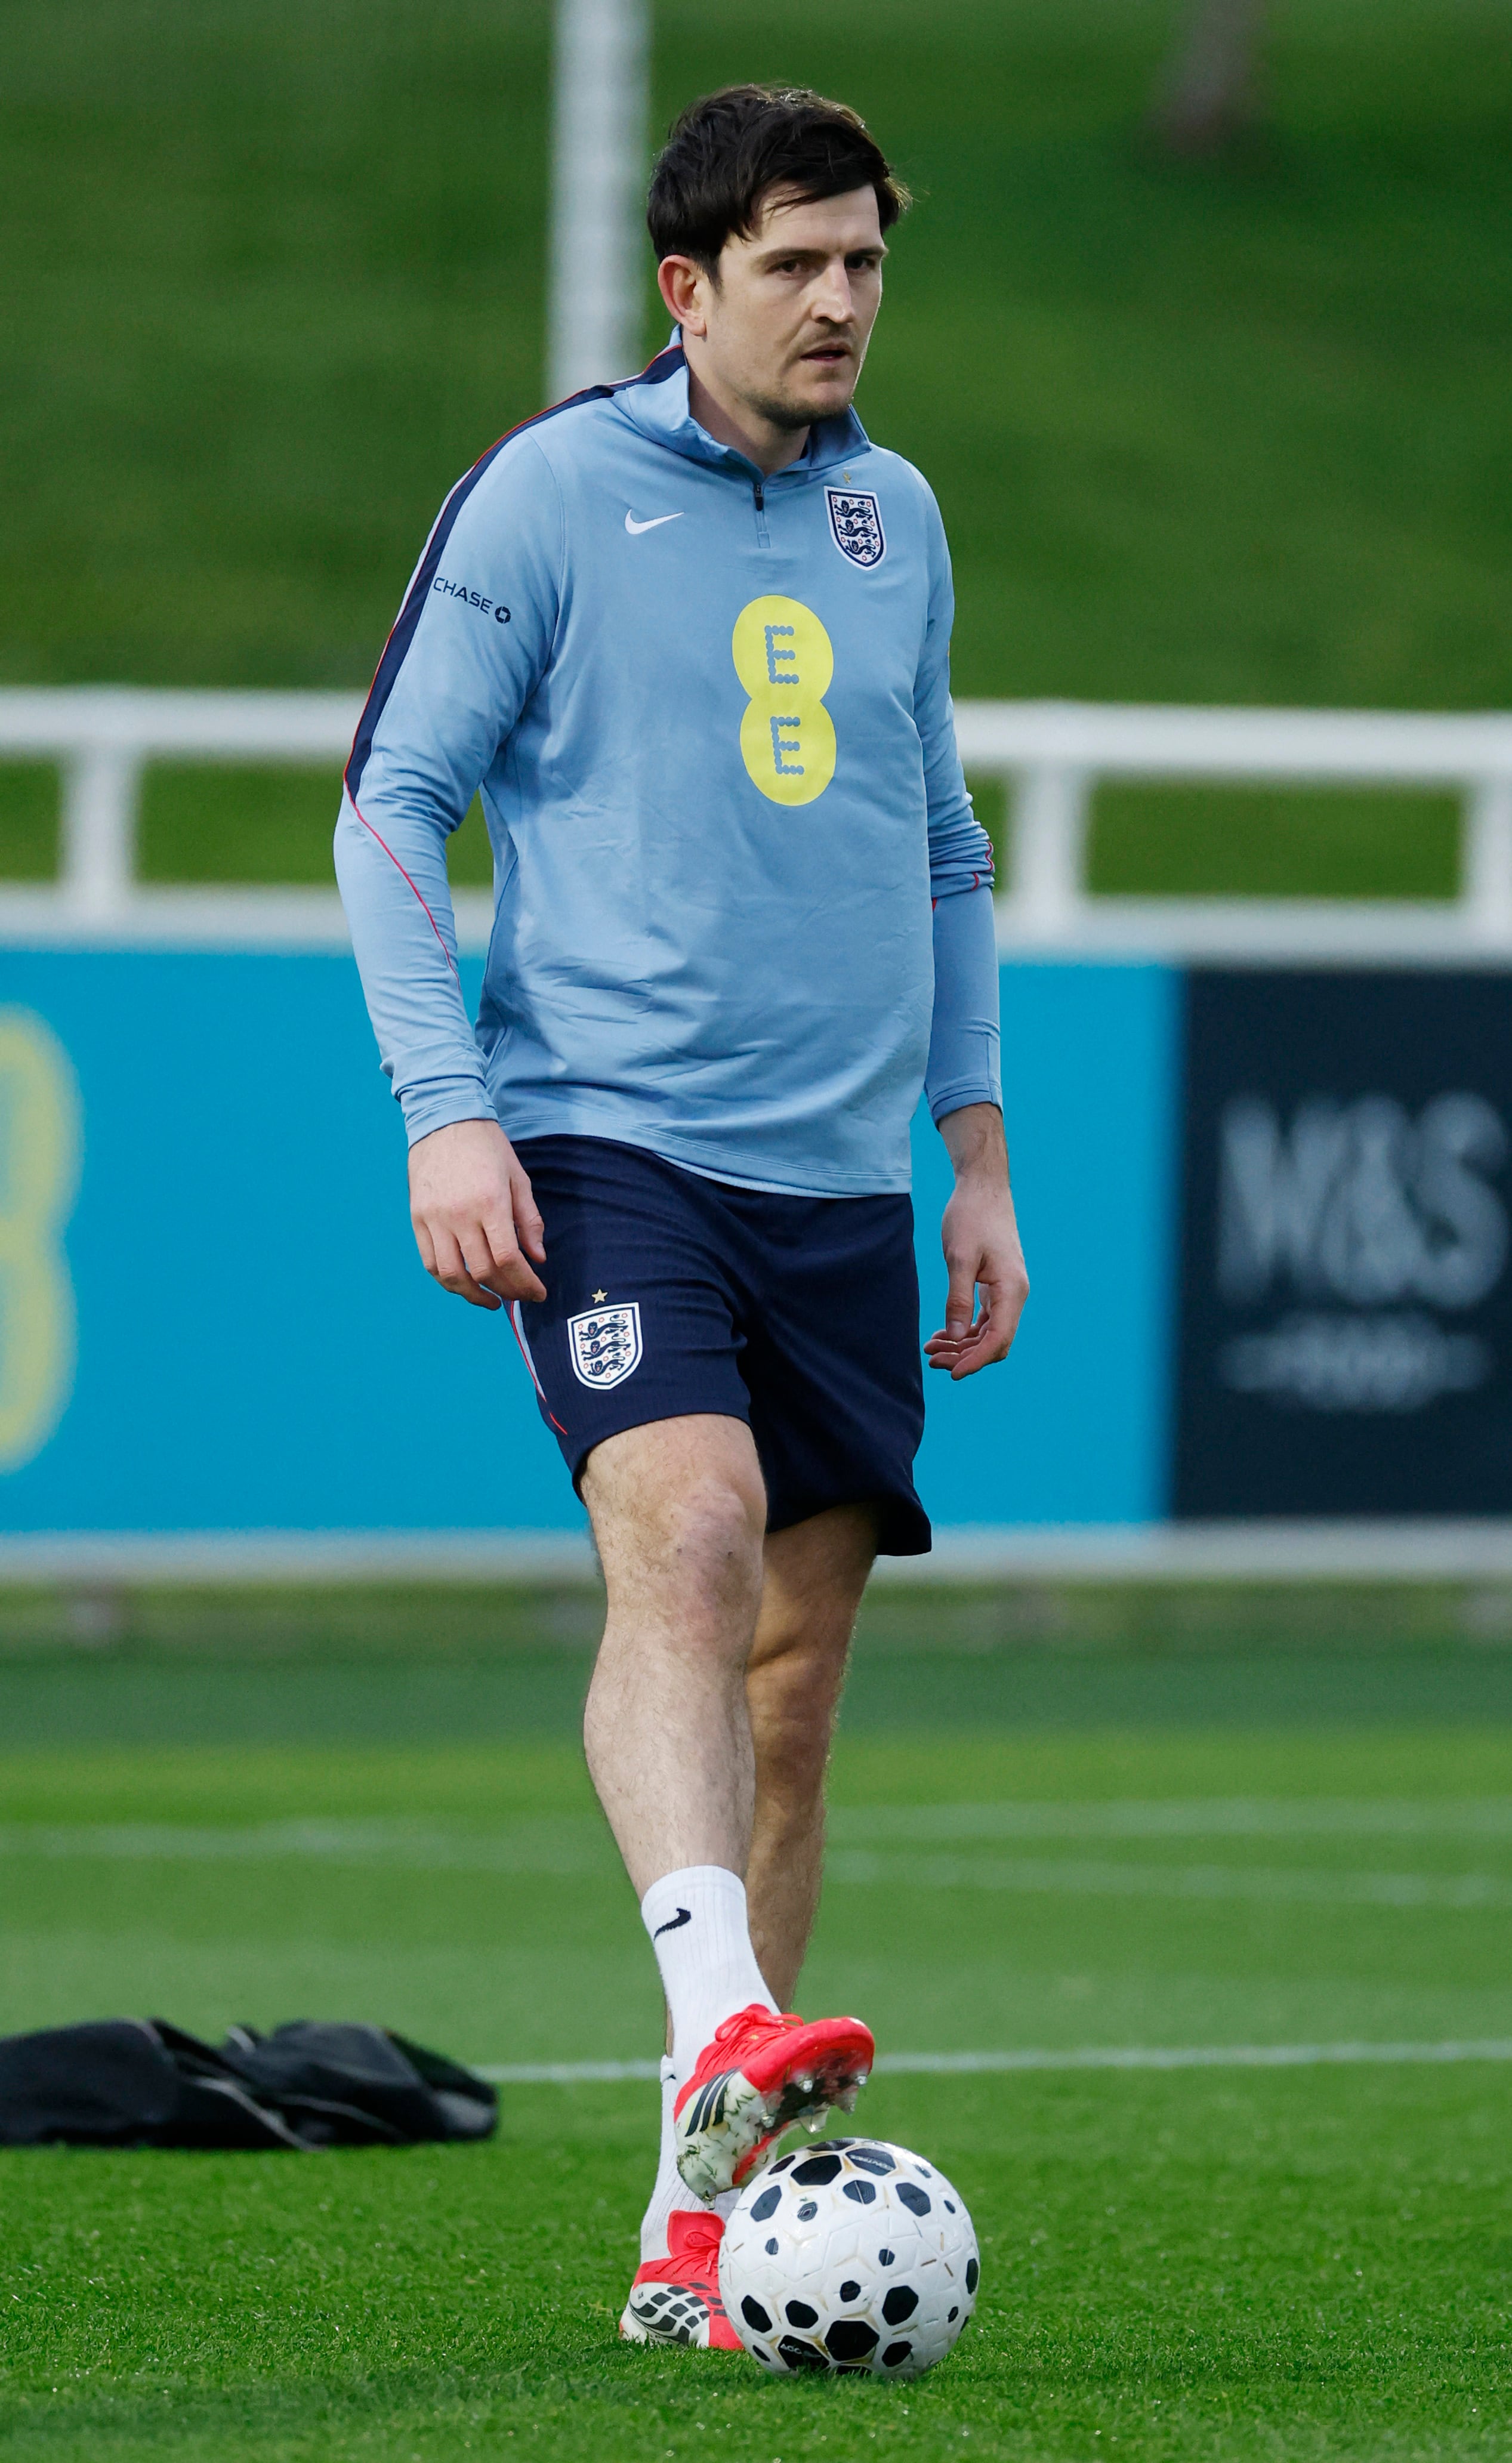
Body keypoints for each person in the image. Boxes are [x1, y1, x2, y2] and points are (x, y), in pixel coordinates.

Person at [335, 82, 1029, 2350]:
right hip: (610, 1141)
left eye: (866, 267)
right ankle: (725, 2021)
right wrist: (453, 1120)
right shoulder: (548, 496)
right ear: (687, 285)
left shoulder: (895, 513)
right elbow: (391, 807)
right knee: (694, 1530)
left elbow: (942, 846)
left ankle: (693, 2232)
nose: (841, 305)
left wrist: (978, 1155)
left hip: (841, 1172)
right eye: (797, 266)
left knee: (799, 1692)